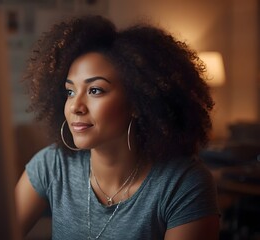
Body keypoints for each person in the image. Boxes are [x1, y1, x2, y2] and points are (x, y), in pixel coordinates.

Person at [15, 15, 220, 240]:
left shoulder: (183, 184)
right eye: (70, 91)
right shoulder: (52, 166)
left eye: (95, 90)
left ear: (136, 102)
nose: (75, 106)